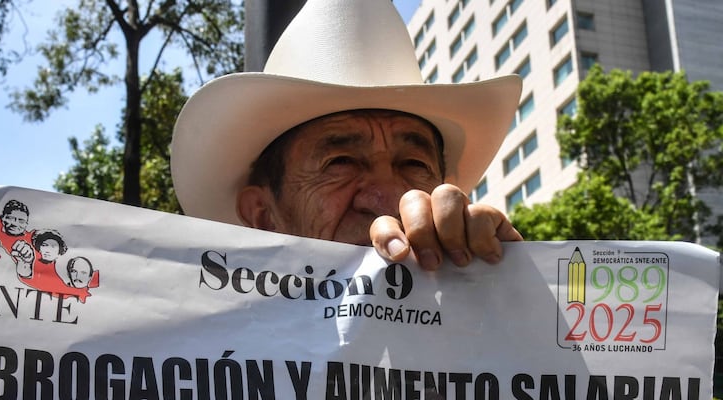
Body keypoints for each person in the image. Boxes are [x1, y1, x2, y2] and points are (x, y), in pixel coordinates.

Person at [171, 0, 524, 270]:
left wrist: (510, 289)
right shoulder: (206, 354)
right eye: (340, 162)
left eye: (414, 164)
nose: (389, 201)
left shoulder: (490, 323)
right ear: (263, 216)